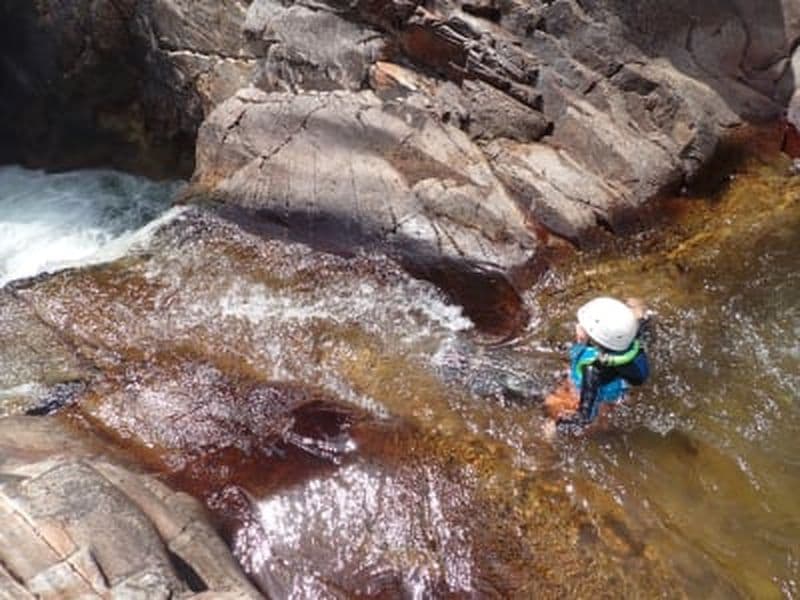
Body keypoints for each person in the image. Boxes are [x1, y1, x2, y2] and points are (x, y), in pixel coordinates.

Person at [544, 296, 650, 434]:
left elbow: (584, 418)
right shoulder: (627, 342)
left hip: (600, 403)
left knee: (550, 403)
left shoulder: (592, 370)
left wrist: (558, 427)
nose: (577, 326)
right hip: (618, 389)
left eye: (581, 326)